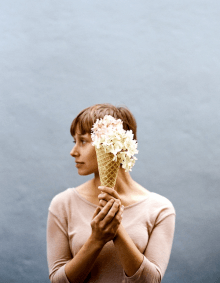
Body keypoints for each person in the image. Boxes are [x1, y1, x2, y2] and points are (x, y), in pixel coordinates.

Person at [47, 103, 176, 283]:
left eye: (83, 141)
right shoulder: (62, 204)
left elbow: (151, 280)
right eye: (74, 141)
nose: (73, 152)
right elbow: (57, 281)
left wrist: (117, 230)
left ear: (114, 143)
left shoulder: (159, 209)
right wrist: (96, 240)